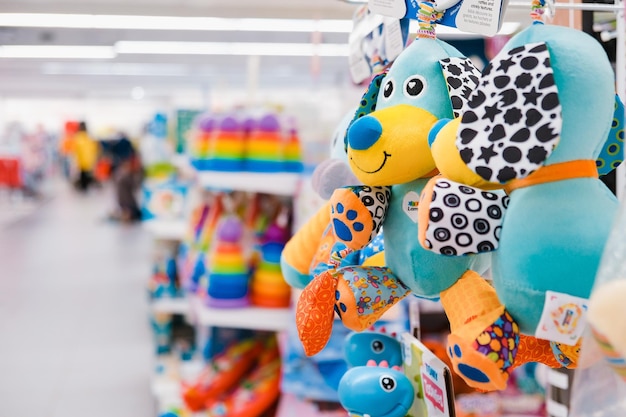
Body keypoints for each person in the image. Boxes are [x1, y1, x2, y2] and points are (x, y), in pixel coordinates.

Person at [73, 121, 99, 192]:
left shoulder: (78, 137)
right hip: (88, 160)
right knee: (85, 174)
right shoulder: (88, 137)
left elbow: (75, 150)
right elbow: (94, 148)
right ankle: (85, 186)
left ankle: (84, 187)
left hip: (82, 160)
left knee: (83, 174)